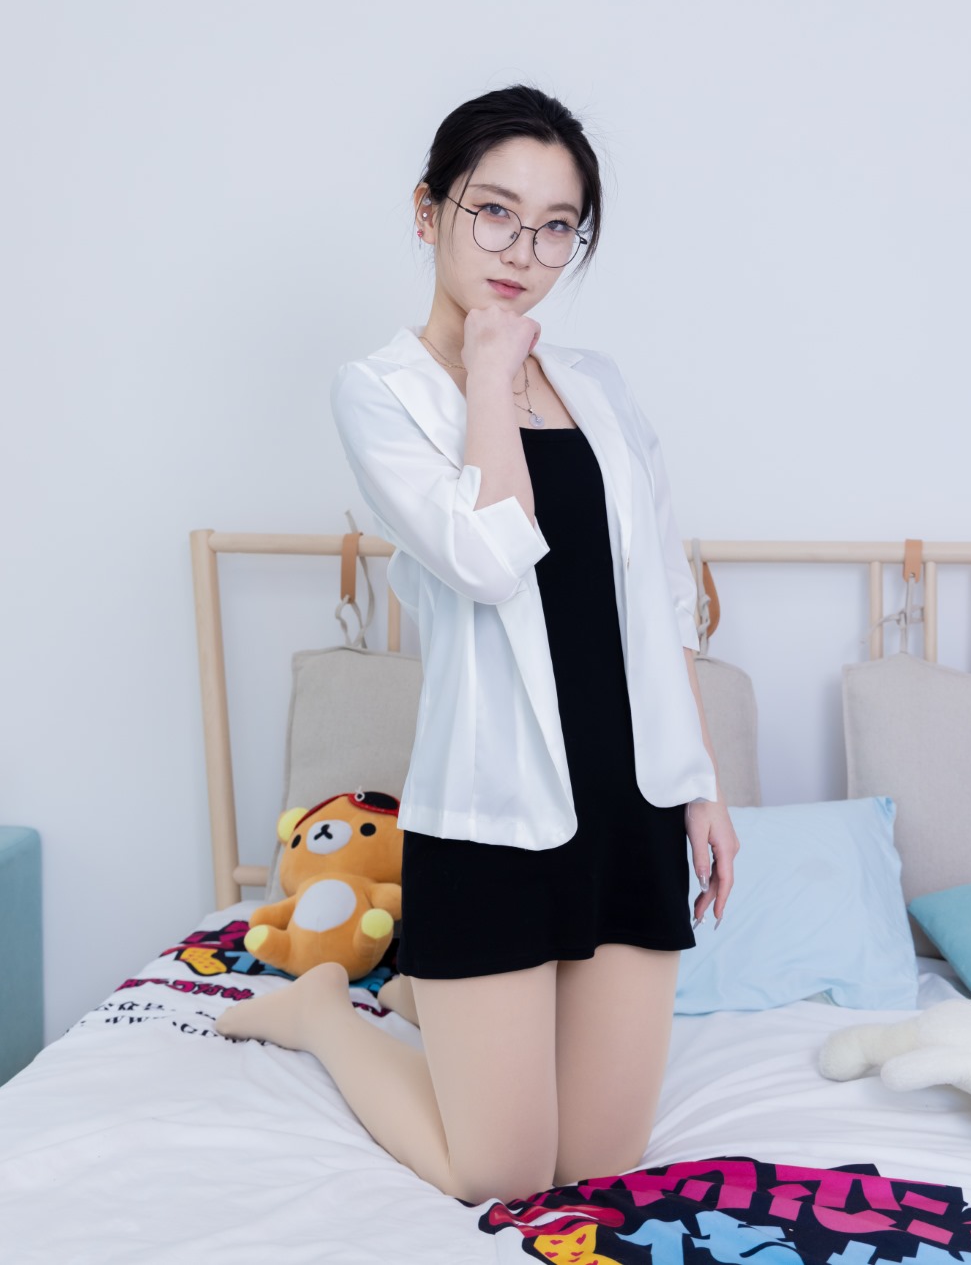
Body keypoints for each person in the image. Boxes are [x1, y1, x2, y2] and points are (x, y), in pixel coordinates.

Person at [216, 83, 740, 1207]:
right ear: (428, 211)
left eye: (556, 227)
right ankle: (323, 1009)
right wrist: (492, 369)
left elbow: (663, 606)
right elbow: (494, 556)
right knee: (497, 1171)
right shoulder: (382, 393)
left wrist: (700, 787)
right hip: (492, 815)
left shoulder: (601, 388)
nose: (523, 250)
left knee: (598, 1165)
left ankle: (438, 1005)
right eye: (494, 211)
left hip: (631, 804)